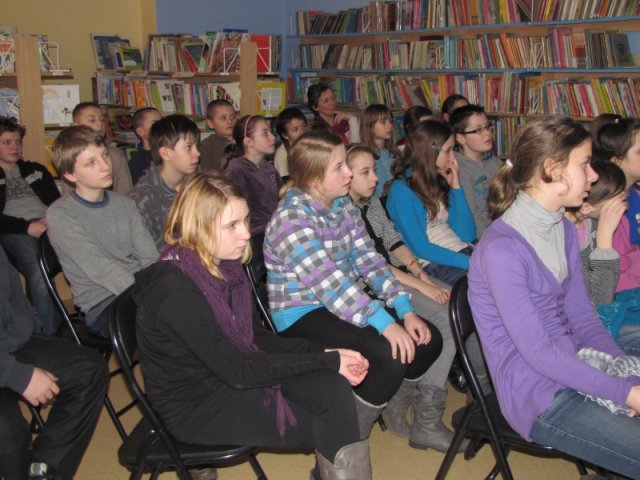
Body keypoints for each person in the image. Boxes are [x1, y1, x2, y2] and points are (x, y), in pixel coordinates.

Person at [132, 173, 373, 480]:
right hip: (197, 406)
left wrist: (325, 353)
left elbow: (257, 340)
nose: (246, 233)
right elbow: (239, 371)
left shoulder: (224, 266)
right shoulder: (176, 291)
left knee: (332, 388)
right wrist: (326, 360)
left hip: (229, 375)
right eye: (231, 225)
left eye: (245, 220)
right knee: (325, 422)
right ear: (197, 227)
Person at [468, 117, 640, 479]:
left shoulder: (561, 225)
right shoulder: (502, 250)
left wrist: (623, 370)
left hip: (576, 363)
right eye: (585, 164)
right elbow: (540, 354)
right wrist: (625, 394)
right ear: (552, 168)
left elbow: (583, 316)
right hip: (538, 393)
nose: (593, 175)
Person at [264, 130, 443, 442]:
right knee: (388, 352)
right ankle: (343, 444)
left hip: (344, 299)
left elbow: (369, 261)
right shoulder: (290, 220)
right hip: (301, 312)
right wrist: (385, 323)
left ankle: (389, 403)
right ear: (314, 180)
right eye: (339, 167)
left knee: (429, 340)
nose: (348, 172)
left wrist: (404, 308)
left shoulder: (342, 204)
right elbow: (331, 286)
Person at [346, 144, 471, 452]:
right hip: (370, 286)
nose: (375, 178)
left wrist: (420, 273)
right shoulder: (343, 213)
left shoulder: (371, 202)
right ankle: (426, 420)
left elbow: (393, 241)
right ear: (346, 176)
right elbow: (371, 265)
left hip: (396, 275)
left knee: (455, 304)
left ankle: (408, 403)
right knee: (445, 317)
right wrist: (421, 285)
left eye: (374, 170)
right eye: (365, 172)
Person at [0, 244, 108, 480]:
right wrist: (18, 376)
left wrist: (29, 324)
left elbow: (11, 293)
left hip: (10, 341)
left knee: (88, 370)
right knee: (8, 434)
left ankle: (44, 473)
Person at [46, 126, 158, 338]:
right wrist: (150, 297)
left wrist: (158, 288)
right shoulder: (60, 214)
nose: (106, 166)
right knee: (174, 325)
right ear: (70, 174)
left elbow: (149, 255)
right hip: (103, 303)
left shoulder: (124, 203)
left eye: (104, 155)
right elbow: (101, 270)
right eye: (91, 162)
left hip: (139, 289)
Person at [386, 120, 476, 286]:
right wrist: (469, 263)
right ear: (430, 151)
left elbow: (467, 235)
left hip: (462, 252)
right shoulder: (401, 191)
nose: (453, 157)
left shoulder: (437, 179)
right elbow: (421, 248)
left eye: (453, 150)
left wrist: (456, 187)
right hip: (435, 264)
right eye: (448, 151)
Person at [0, 116, 62, 335]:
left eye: (18, 142)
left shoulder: (36, 170)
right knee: (38, 268)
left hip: (50, 224)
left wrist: (52, 220)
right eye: (7, 142)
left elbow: (57, 203)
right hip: (15, 230)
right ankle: (48, 334)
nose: (14, 147)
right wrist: (27, 227)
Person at [224, 114, 282, 290]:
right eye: (265, 133)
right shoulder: (236, 171)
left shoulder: (269, 169)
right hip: (253, 242)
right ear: (249, 142)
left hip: (273, 236)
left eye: (271, 132)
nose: (272, 137)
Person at [129, 114, 200, 249]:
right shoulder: (141, 199)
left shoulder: (198, 184)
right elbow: (147, 255)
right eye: (189, 147)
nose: (197, 153)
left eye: (197, 146)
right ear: (166, 153)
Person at [593, 118, 640, 293]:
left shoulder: (636, 195)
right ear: (616, 160)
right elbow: (616, 276)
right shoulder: (603, 209)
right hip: (625, 293)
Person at [450, 104, 503, 237]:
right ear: (461, 138)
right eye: (479, 130)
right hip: (485, 236)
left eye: (487, 126)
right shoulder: (459, 171)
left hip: (505, 225)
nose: (488, 133)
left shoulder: (494, 161)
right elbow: (472, 217)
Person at [70, 102, 132, 194]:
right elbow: (69, 195)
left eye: (102, 120)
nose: (99, 123)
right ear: (76, 126)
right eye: (92, 120)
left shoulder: (115, 154)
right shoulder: (70, 155)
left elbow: (126, 192)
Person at [359, 104, 401, 198]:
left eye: (390, 121)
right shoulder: (365, 155)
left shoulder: (395, 152)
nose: (389, 126)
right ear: (370, 126)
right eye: (383, 122)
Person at [198, 99, 235, 173]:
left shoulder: (240, 140)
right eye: (223, 118)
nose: (229, 121)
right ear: (210, 123)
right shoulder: (208, 146)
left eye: (232, 117)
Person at [128, 107, 162, 185]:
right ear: (140, 131)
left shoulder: (170, 152)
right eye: (155, 124)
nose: (162, 127)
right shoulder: (136, 163)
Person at [273, 107, 308, 181]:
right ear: (285, 135)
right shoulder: (282, 154)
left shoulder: (310, 146)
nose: (302, 132)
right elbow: (287, 182)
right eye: (295, 130)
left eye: (303, 126)